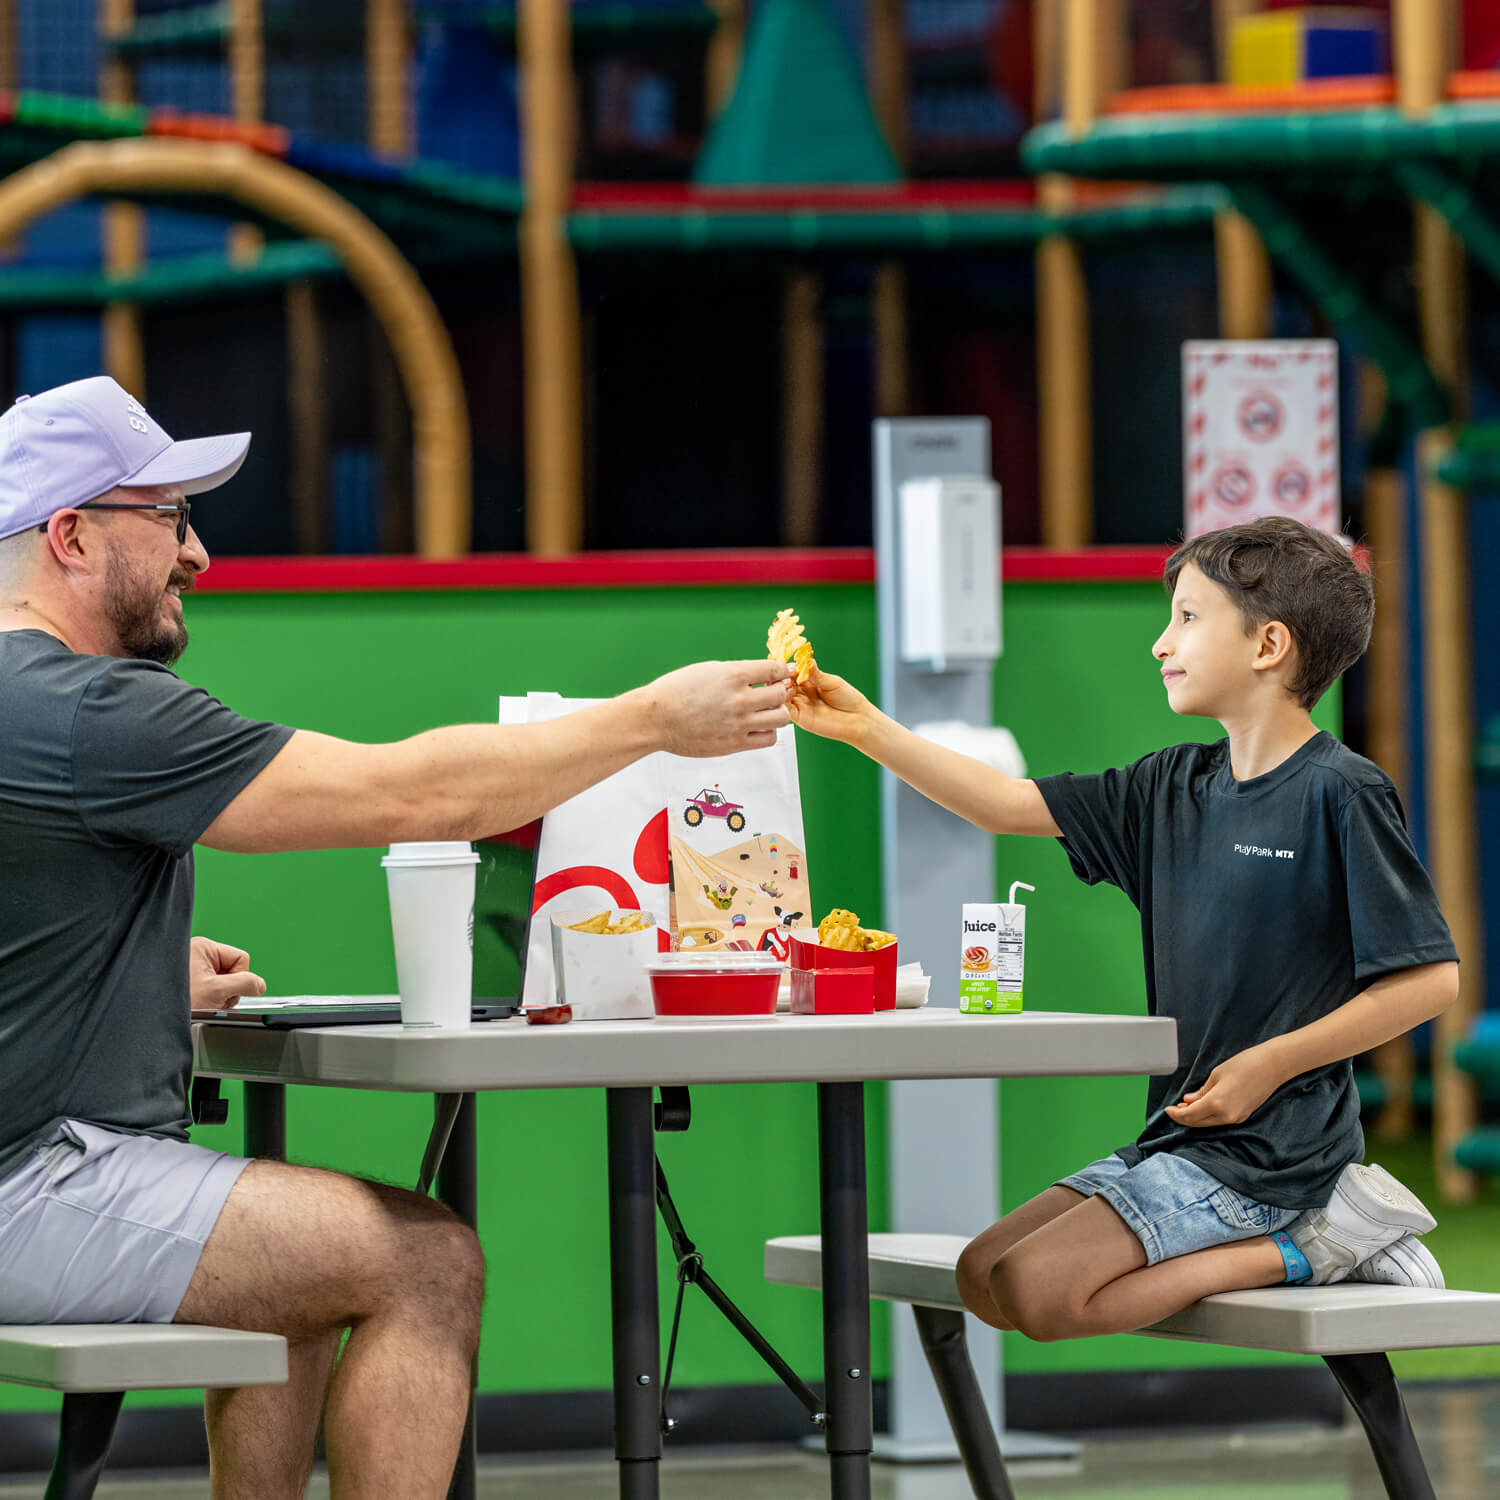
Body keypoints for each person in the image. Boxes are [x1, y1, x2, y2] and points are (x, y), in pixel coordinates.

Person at [0, 376, 794, 1498]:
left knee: (299, 1267)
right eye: (170, 518)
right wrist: (652, 721)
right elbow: (404, 796)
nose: (199, 556)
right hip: (29, 1189)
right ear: (73, 537)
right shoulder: (90, 708)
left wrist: (119, 969)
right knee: (423, 1258)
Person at [790, 515, 1459, 1344]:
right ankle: (1303, 1241)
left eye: (1186, 618)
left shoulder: (1342, 792)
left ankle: (1313, 1243)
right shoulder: (1169, 786)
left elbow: (1431, 980)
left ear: (1269, 645)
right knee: (980, 1275)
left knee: (1037, 1292)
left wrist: (1267, 1065)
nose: (1160, 644)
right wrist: (865, 728)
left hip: (1279, 1159)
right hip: (1180, 1138)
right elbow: (1003, 805)